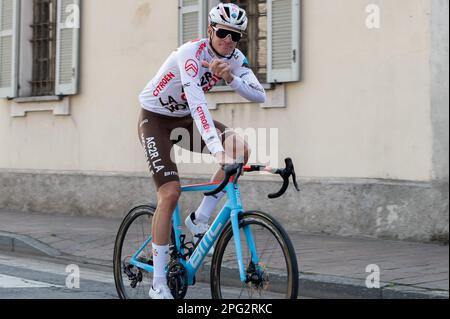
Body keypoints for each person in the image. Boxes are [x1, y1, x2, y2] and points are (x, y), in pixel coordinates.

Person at [138, 2, 266, 299]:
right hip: (155, 119)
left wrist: (231, 78)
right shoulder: (190, 55)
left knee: (241, 150)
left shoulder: (234, 59)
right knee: (170, 193)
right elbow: (197, 105)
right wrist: (217, 151)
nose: (228, 40)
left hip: (183, 120)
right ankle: (158, 284)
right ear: (210, 30)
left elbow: (258, 94)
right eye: (223, 32)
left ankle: (199, 219)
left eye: (236, 36)